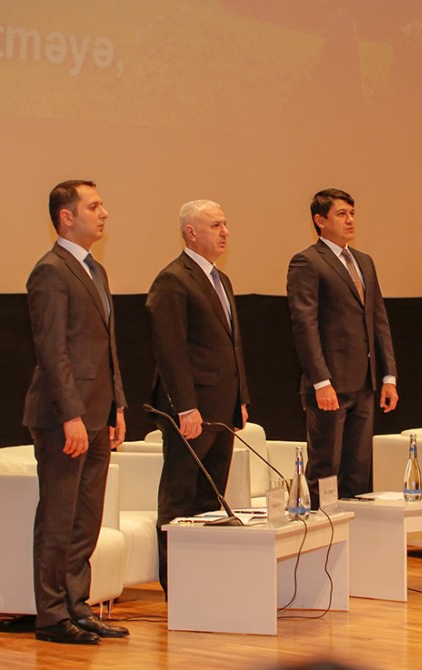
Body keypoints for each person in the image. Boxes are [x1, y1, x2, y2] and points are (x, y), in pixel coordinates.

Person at [23, 180, 129, 644]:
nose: (104, 212)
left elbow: (106, 348)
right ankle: (51, 615)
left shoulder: (95, 271)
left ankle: (77, 605)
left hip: (97, 412)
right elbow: (52, 351)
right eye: (94, 205)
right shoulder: (51, 271)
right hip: (62, 416)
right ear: (67, 216)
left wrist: (116, 406)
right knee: (60, 517)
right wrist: (71, 414)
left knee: (87, 518)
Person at [146, 200, 250, 592]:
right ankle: (176, 583)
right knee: (179, 495)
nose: (225, 231)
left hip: (221, 407)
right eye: (216, 225)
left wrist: (241, 396)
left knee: (211, 496)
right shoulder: (173, 279)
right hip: (190, 409)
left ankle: (205, 577)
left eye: (226, 223)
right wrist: (185, 406)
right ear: (191, 232)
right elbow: (170, 350)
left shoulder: (221, 279)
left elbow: (231, 346)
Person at [286, 188, 399, 508]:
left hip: (365, 381)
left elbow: (378, 320)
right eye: (341, 214)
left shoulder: (364, 261)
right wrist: (320, 380)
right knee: (326, 465)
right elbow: (304, 325)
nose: (350, 220)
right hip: (330, 383)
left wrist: (388, 375)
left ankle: (356, 538)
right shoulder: (307, 261)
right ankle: (323, 534)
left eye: (352, 214)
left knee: (359, 468)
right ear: (320, 221)